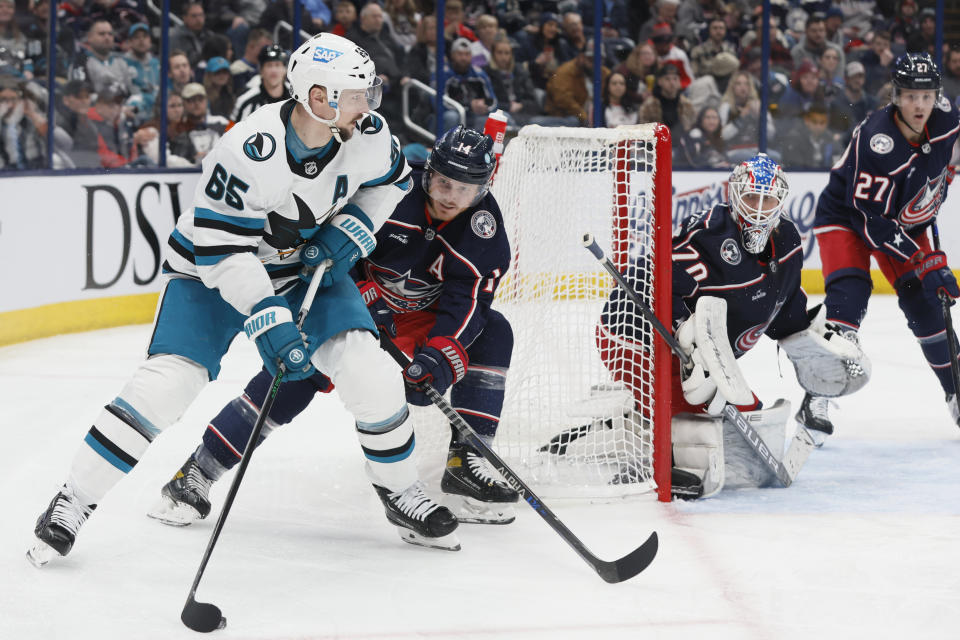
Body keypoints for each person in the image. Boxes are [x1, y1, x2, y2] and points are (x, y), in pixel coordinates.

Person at [26, 32, 459, 567]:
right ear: (318, 98)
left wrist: (354, 225)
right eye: (355, 94)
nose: (368, 104)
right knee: (166, 386)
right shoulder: (247, 149)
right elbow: (222, 251)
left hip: (302, 267)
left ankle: (399, 492)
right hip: (211, 272)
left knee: (370, 371)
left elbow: (393, 182)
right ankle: (74, 499)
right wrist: (267, 316)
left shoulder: (367, 133)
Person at [148, 124, 520, 529]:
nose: (451, 197)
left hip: (417, 318)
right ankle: (199, 470)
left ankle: (468, 458)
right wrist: (357, 291)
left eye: (465, 189)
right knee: (295, 376)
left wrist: (439, 355)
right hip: (346, 297)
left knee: (494, 333)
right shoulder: (393, 189)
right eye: (444, 183)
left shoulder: (485, 230)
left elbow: (470, 301)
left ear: (483, 189)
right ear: (428, 172)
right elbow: (331, 241)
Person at [578, 154, 869, 498]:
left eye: (768, 199)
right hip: (632, 335)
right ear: (733, 197)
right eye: (750, 198)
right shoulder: (707, 237)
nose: (759, 209)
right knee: (707, 421)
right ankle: (643, 440)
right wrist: (687, 336)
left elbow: (787, 316)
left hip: (699, 358)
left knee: (748, 424)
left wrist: (818, 349)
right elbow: (646, 276)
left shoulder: (788, 241)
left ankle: (643, 417)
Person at [803, 53, 960, 440]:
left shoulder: (946, 119)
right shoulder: (879, 142)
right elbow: (872, 224)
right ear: (895, 96)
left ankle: (956, 392)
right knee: (848, 298)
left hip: (905, 218)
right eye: (910, 96)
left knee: (926, 307)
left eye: (926, 96)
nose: (919, 105)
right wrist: (923, 259)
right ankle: (816, 397)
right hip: (849, 218)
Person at [232, 44, 290, 122]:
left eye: (277, 65)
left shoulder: (297, 97)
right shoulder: (245, 101)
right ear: (261, 70)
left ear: (285, 70)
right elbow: (229, 131)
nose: (273, 70)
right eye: (269, 65)